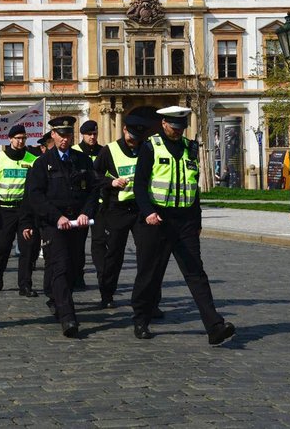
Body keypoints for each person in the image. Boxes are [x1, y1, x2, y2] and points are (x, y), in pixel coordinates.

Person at [131, 106, 235, 345]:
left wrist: (197, 220)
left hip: (185, 221)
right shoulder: (150, 147)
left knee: (195, 273)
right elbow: (140, 185)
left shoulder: (190, 148)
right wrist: (148, 212)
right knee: (150, 273)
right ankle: (141, 319)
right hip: (156, 220)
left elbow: (193, 187)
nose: (178, 132)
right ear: (164, 124)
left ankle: (214, 326)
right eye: (173, 127)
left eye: (181, 128)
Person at [24, 116, 99, 338]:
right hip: (53, 225)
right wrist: (56, 217)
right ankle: (68, 317)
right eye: (61, 135)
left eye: (68, 135)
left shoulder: (82, 160)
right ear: (53, 135)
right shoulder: (42, 163)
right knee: (60, 266)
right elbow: (35, 196)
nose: (65, 139)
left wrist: (87, 212)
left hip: (77, 223)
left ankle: (55, 298)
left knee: (74, 267)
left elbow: (94, 190)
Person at [91, 115, 154, 309]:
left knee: (147, 255)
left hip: (141, 209)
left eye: (138, 138)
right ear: (124, 129)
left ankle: (149, 300)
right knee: (114, 255)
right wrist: (111, 182)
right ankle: (107, 293)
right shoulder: (109, 150)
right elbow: (94, 175)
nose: (134, 142)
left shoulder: (147, 148)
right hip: (117, 209)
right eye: (132, 137)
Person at [0, 124, 40, 297]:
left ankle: (25, 285)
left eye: (23, 138)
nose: (20, 141)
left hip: (26, 211)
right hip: (5, 210)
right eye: (17, 138)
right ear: (10, 139)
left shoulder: (33, 159)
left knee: (28, 248)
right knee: (3, 247)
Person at [71, 120, 101, 290]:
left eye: (95, 134)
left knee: (100, 244)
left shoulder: (102, 151)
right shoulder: (75, 152)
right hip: (80, 206)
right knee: (78, 245)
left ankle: (102, 278)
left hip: (100, 205)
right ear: (83, 135)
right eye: (89, 134)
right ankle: (78, 276)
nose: (92, 137)